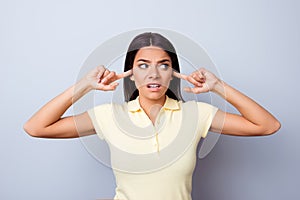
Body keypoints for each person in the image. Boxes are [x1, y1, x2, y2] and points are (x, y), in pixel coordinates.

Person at [24, 32, 281, 200]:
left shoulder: (197, 114)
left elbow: (268, 125)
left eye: (164, 65)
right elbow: (36, 127)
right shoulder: (109, 116)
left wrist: (218, 87)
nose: (154, 74)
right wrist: (85, 85)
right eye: (143, 65)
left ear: (173, 74)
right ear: (130, 74)